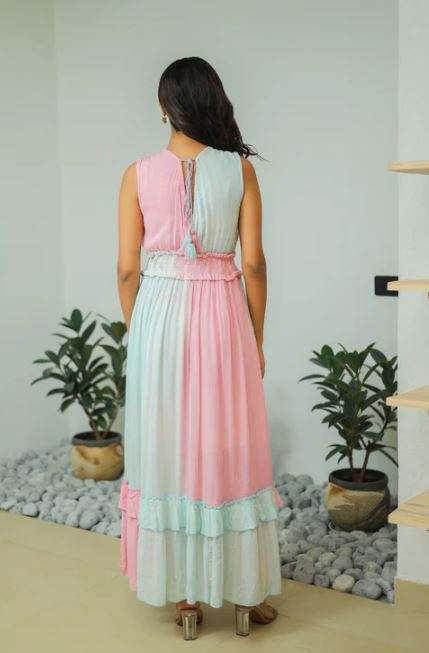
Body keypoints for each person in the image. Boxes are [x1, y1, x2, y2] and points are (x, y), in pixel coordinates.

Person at [117, 56, 282, 640]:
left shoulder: (137, 174)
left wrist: (139, 333)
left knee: (168, 445)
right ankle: (246, 595)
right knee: (228, 441)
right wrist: (255, 339)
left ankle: (185, 598)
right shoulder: (239, 171)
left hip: (159, 315)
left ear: (164, 108)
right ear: (213, 101)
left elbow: (126, 270)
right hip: (222, 314)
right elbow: (254, 264)